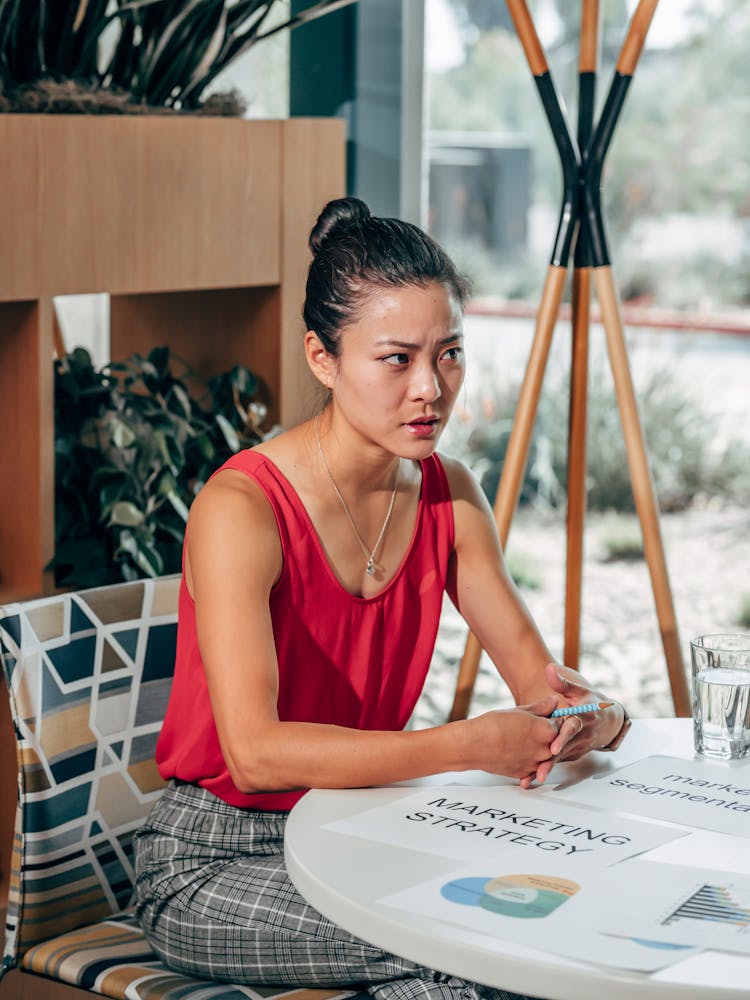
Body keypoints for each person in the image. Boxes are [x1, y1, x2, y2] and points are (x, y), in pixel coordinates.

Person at [134, 197, 630, 1000]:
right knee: (466, 952)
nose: (430, 388)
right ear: (322, 358)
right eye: (396, 359)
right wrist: (467, 745)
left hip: (363, 834)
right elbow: (257, 756)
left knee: (552, 928)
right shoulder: (244, 508)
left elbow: (545, 689)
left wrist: (593, 717)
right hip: (212, 861)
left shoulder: (449, 496)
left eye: (451, 354)